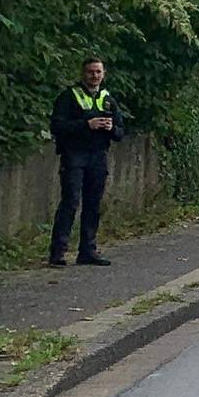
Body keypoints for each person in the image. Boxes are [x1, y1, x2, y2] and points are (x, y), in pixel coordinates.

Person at [48, 58, 123, 266]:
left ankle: (88, 250)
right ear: (83, 73)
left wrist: (111, 128)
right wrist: (86, 124)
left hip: (98, 155)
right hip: (74, 155)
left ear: (104, 74)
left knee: (93, 203)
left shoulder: (108, 99)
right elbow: (57, 126)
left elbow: (121, 132)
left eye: (98, 72)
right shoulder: (68, 97)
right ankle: (58, 252)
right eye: (91, 72)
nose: (94, 76)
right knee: (70, 201)